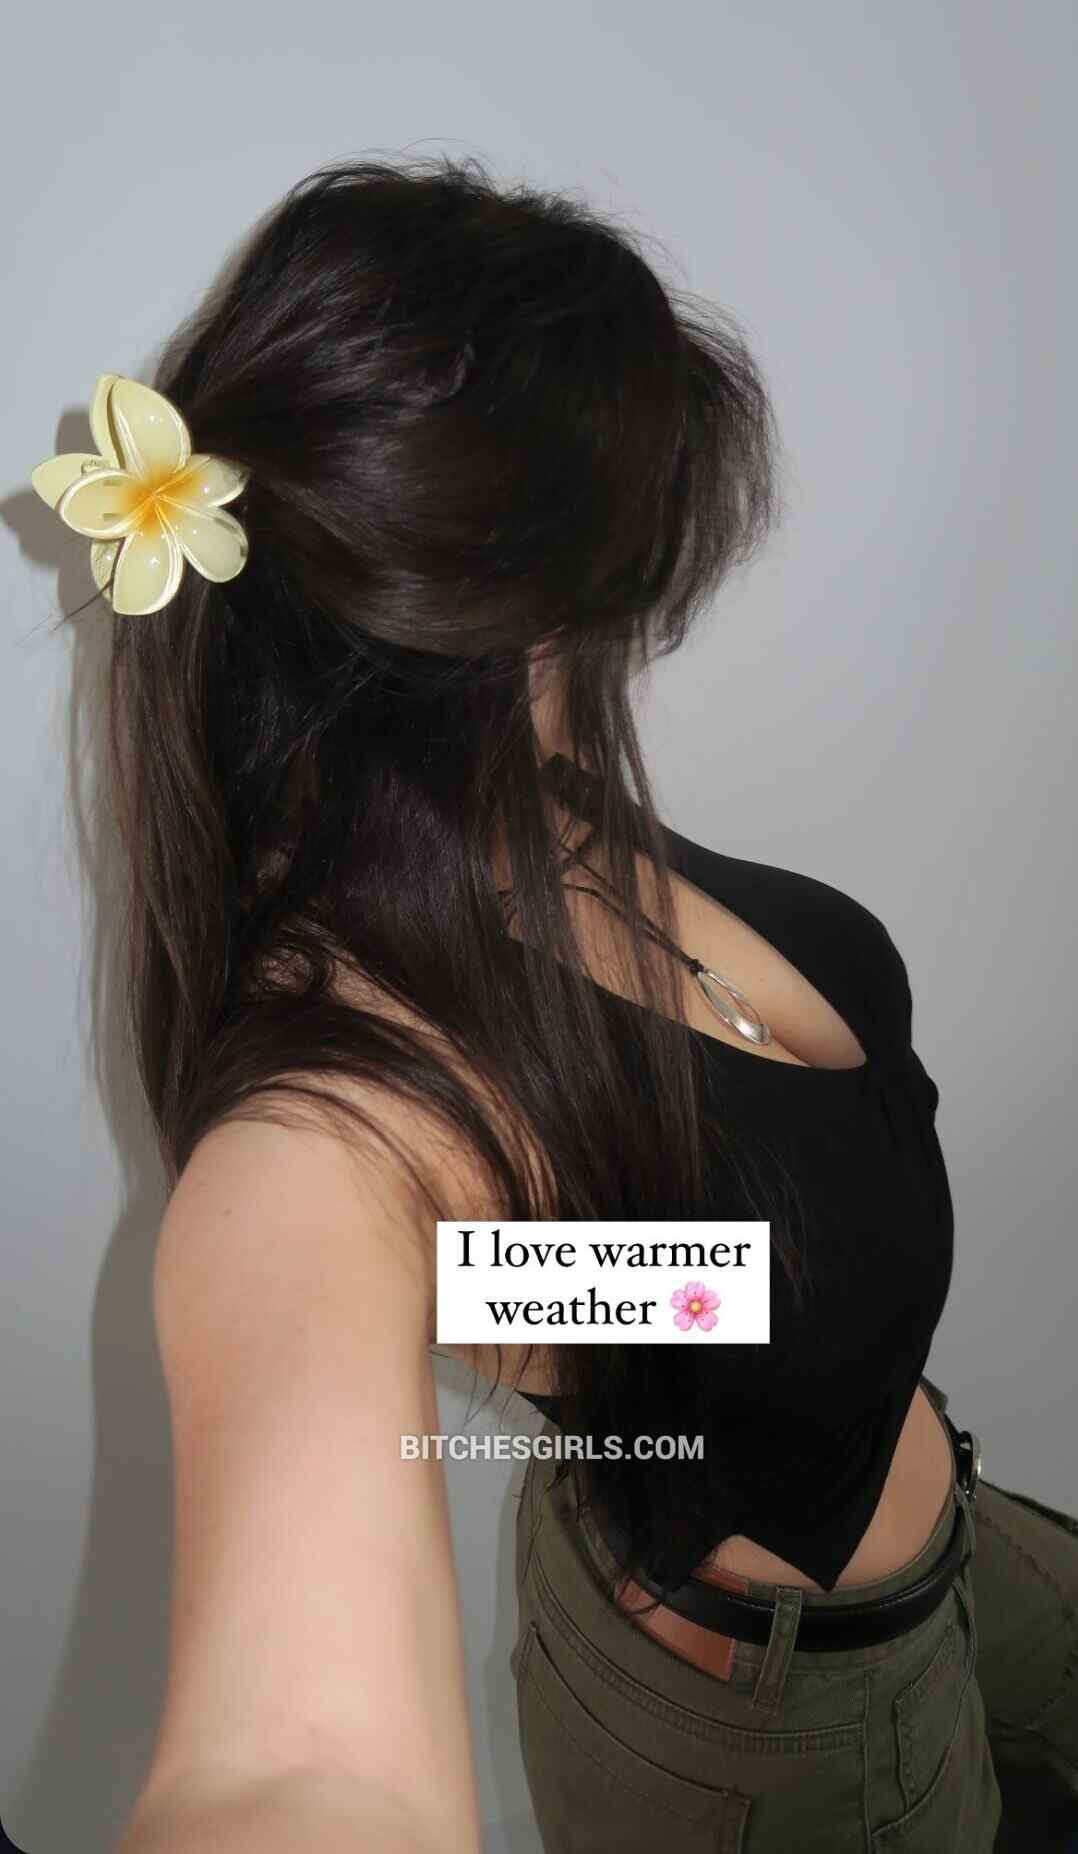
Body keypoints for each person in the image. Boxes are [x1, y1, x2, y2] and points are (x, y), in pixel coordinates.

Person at [30, 154, 1078, 1853]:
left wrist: (618, 1301)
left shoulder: (511, 794)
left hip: (955, 1521)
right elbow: (299, 1770)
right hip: (778, 1723)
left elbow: (684, 1279)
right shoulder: (333, 1128)